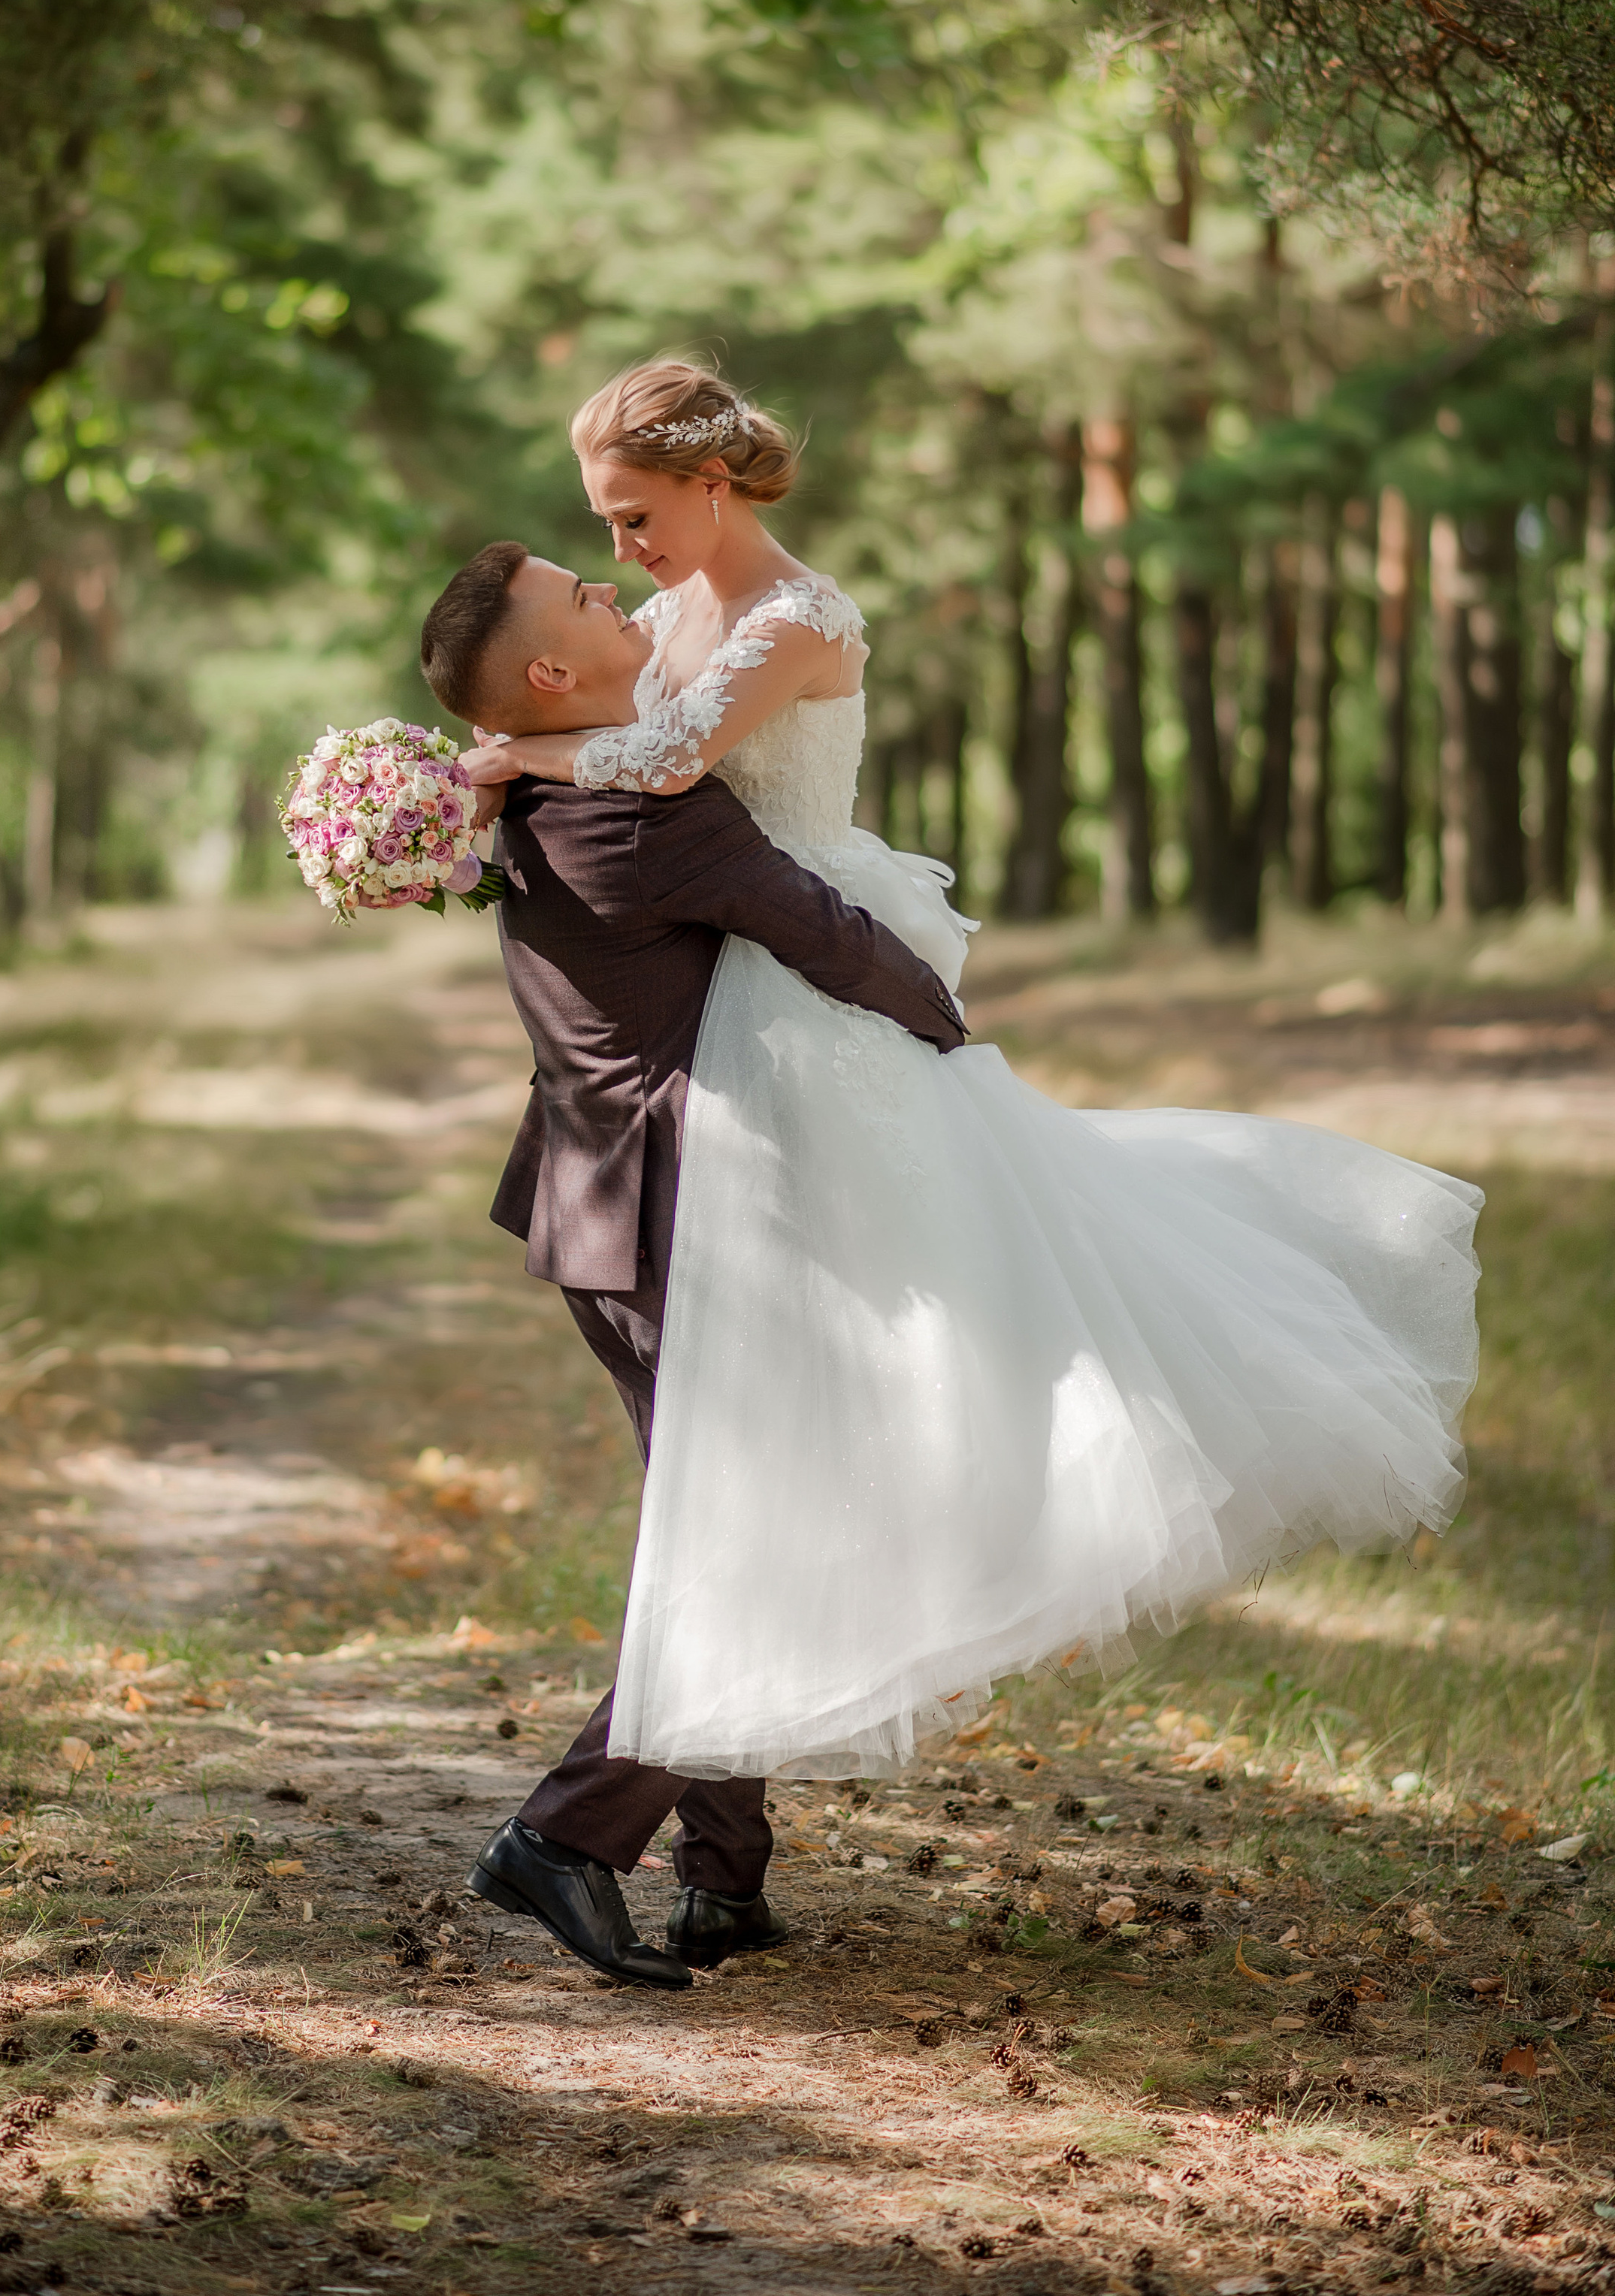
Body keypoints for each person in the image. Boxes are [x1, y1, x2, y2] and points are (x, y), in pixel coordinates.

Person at [457, 357, 1482, 1789]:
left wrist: (513, 751)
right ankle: (715, 1861)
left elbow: (677, 757)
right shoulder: (669, 606)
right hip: (735, 1009)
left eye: (634, 519)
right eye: (602, 528)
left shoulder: (798, 616)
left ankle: (641, 1816)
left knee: (857, 1409)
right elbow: (616, 747)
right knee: (742, 1457)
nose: (621, 558)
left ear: (709, 484)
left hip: (817, 975)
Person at [417, 539, 967, 1989]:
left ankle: (724, 1885)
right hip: (675, 1223)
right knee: (756, 1537)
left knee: (715, 1525)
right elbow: (830, 936)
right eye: (584, 600)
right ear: (550, 672)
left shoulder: (535, 786)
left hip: (601, 1206)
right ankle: (566, 1836)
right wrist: (952, 1031)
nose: (618, 597)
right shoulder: (650, 814)